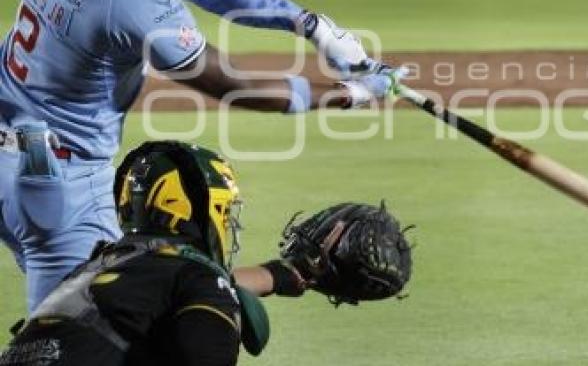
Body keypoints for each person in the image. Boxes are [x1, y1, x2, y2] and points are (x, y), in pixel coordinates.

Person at [0, 0, 403, 313]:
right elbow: (231, 83)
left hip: (12, 143)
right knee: (110, 326)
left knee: (92, 317)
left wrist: (310, 25)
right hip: (57, 182)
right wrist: (352, 92)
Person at [0, 141, 412, 365]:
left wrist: (286, 274)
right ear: (203, 208)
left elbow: (198, 284)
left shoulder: (105, 266)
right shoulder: (196, 282)